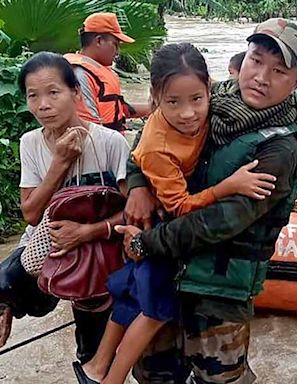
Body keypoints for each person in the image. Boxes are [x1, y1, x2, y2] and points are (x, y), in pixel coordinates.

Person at [74, 43, 277, 384]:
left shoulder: (220, 108)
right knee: (154, 311)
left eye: (197, 99)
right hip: (162, 234)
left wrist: (137, 182)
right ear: (155, 97)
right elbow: (179, 205)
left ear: (209, 88)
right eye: (173, 102)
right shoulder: (157, 144)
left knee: (131, 297)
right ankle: (110, 378)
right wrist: (229, 185)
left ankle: (97, 366)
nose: (187, 113)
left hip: (170, 242)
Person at [0, 52, 130, 362]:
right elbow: (31, 215)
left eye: (53, 92)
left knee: (94, 349)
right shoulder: (31, 143)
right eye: (33, 96)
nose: (43, 104)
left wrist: (87, 232)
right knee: (4, 284)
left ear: (75, 92)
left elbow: (135, 212)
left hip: (98, 249)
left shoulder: (110, 143)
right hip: (48, 246)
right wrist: (59, 163)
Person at [64, 12, 150, 131]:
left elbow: (120, 108)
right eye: (115, 44)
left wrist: (156, 108)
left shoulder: (97, 71)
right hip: (98, 146)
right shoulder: (80, 74)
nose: (118, 52)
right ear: (99, 41)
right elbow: (88, 128)